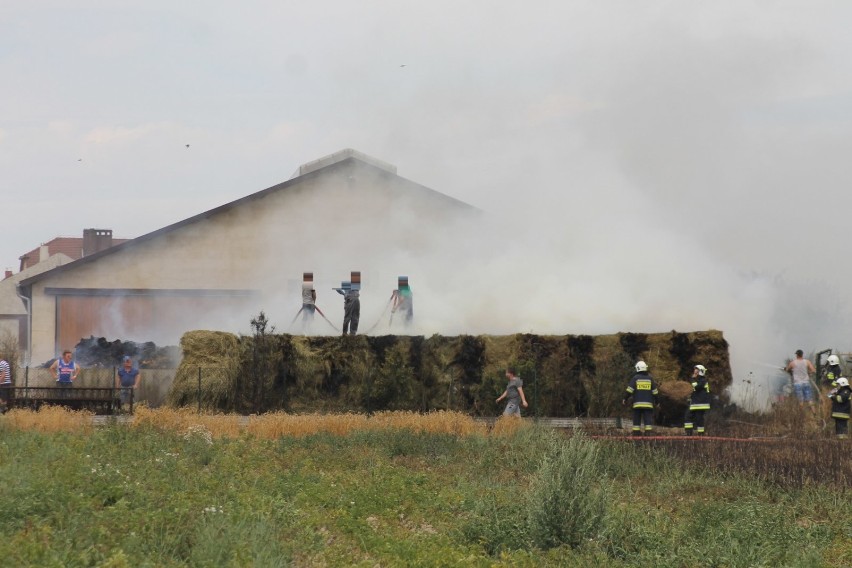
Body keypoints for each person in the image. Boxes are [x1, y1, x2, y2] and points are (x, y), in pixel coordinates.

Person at [623, 360, 659, 436]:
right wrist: (657, 402)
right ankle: (648, 436)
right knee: (648, 422)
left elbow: (629, 390)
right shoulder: (650, 379)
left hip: (637, 405)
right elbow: (655, 392)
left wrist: (624, 399)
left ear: (638, 368)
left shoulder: (635, 378)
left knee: (636, 422)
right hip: (648, 405)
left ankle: (636, 436)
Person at [683, 364, 711, 436]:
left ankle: (700, 435)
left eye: (696, 370)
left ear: (700, 372)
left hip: (700, 404)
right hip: (696, 403)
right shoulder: (699, 380)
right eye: (695, 369)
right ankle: (688, 433)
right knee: (688, 416)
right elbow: (695, 390)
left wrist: (692, 379)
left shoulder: (703, 380)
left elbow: (697, 387)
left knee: (699, 419)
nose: (694, 371)